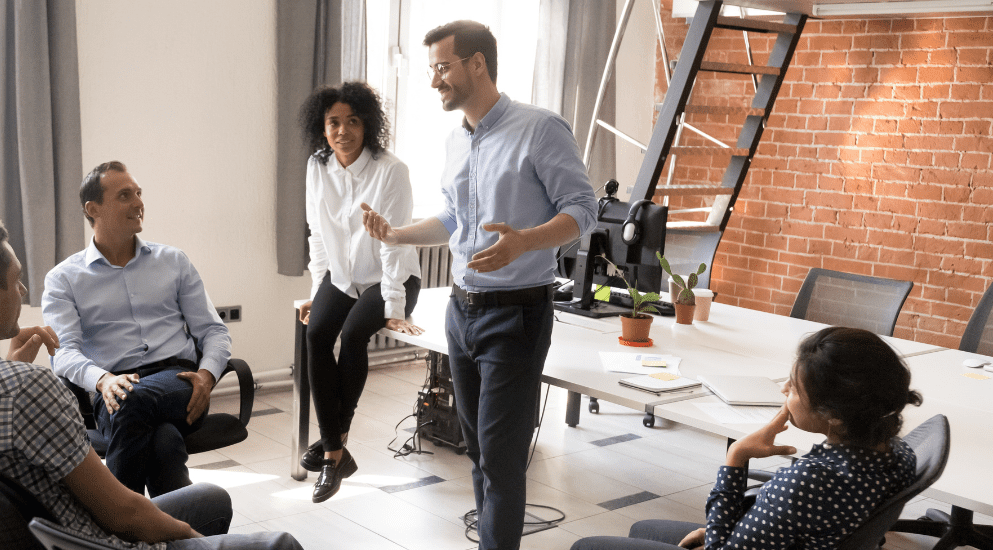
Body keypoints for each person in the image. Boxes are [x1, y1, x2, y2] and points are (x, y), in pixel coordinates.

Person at [0, 214, 301, 550]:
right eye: (14, 280)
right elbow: (123, 515)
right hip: (98, 541)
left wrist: (2, 366)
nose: (21, 290)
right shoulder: (25, 389)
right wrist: (197, 543)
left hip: (39, 537)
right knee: (280, 544)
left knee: (209, 496)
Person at [361, 20, 598, 550]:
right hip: (462, 314)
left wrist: (526, 241)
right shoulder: (454, 140)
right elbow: (451, 217)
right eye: (431, 70)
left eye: (442, 68)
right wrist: (397, 234)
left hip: (516, 315)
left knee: (501, 457)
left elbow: (583, 211)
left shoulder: (540, 128)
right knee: (477, 451)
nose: (434, 81)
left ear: (477, 64)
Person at [571, 326, 924, 550]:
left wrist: (737, 457)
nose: (784, 389)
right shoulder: (899, 453)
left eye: (795, 388)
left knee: (588, 546)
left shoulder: (809, 482)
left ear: (833, 415)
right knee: (643, 527)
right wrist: (725, 525)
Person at [43, 161, 229, 497]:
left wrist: (208, 375)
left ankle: (112, 523)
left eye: (139, 193)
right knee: (164, 442)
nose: (138, 203)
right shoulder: (63, 279)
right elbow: (64, 352)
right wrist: (103, 380)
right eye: (125, 195)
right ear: (93, 209)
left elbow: (213, 331)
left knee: (133, 402)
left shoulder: (174, 261)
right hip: (112, 388)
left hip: (179, 382)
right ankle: (175, 535)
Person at [295, 81, 424, 503]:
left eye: (352, 121)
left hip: (394, 275)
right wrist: (318, 290)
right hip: (343, 276)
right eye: (334, 122)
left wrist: (393, 305)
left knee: (352, 336)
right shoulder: (318, 166)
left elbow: (393, 241)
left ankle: (333, 445)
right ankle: (336, 452)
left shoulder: (391, 170)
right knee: (314, 335)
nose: (343, 131)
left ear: (367, 125)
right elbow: (317, 233)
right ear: (323, 127)